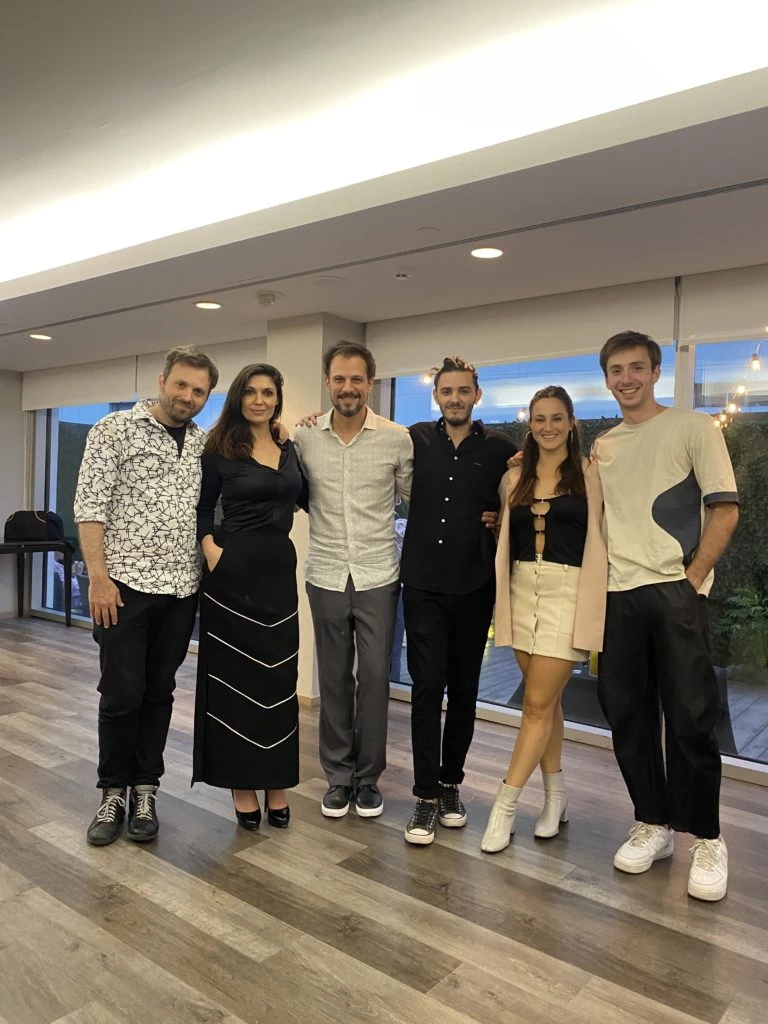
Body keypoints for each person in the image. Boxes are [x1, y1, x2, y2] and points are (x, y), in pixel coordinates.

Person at [593, 331, 739, 902]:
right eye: (616, 370)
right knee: (627, 715)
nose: (626, 379)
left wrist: (692, 579)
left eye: (636, 368)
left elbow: (724, 510)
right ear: (607, 378)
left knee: (691, 716)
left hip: (676, 592)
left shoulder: (694, 427)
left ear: (656, 372)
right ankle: (651, 822)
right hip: (618, 595)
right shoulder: (603, 445)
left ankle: (706, 836)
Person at [75, 346, 218, 846]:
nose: (188, 396)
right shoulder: (113, 430)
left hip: (181, 589)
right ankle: (112, 791)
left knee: (159, 692)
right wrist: (98, 578)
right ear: (162, 381)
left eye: (199, 391)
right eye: (181, 384)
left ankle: (145, 790)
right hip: (123, 588)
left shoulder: (204, 443)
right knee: (121, 693)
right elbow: (90, 508)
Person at [481, 386, 607, 853]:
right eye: (539, 419)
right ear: (529, 425)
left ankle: (505, 805)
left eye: (557, 418)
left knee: (534, 705)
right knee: (546, 704)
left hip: (568, 594)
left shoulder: (593, 474)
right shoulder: (513, 478)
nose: (548, 426)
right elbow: (502, 532)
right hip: (519, 591)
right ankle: (556, 797)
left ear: (572, 423)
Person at [402, 356, 519, 846]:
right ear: (436, 396)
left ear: (477, 395)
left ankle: (451, 785)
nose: (454, 398)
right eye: (446, 391)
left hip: (475, 585)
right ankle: (425, 795)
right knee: (427, 689)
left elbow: (531, 484)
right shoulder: (413, 439)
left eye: (463, 390)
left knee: (465, 691)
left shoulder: (501, 449)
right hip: (422, 586)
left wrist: (501, 516)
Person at [294, 341, 413, 819]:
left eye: (357, 379)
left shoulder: (397, 438)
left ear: (370, 383)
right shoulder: (304, 437)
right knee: (333, 678)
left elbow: (420, 497)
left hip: (378, 574)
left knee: (375, 679)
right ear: (327, 382)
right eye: (339, 379)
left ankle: (368, 778)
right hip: (324, 572)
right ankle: (338, 776)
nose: (348, 387)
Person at [193, 364, 307, 830]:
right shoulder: (219, 449)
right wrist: (211, 550)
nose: (259, 400)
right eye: (251, 392)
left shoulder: (288, 447)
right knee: (234, 684)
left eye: (268, 393)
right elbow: (202, 509)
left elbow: (307, 497)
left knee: (278, 684)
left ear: (277, 399)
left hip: (279, 574)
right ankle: (241, 786)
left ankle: (276, 782)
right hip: (231, 574)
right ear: (238, 397)